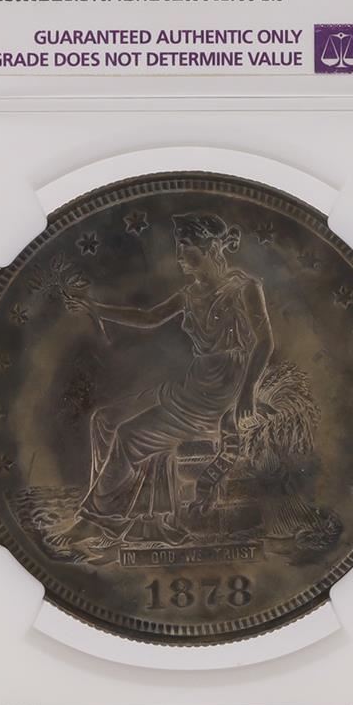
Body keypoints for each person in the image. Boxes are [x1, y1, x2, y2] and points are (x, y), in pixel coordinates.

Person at [56, 212, 274, 545]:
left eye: (186, 247)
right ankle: (124, 515)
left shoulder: (245, 289)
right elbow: (148, 318)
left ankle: (96, 519)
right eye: (178, 247)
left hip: (219, 393)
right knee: (104, 420)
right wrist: (97, 308)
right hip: (191, 387)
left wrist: (247, 392)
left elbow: (264, 342)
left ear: (210, 250)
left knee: (129, 436)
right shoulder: (190, 295)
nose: (179, 256)